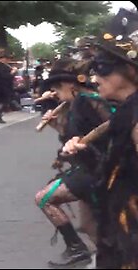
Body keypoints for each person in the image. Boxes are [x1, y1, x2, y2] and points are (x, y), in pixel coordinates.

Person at [61, 8, 138, 268]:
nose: (95, 77)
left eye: (103, 68)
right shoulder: (126, 113)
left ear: (131, 71)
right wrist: (80, 145)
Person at [34, 58, 114, 268]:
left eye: (57, 88)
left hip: (98, 168)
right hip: (85, 165)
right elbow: (71, 137)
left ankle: (78, 249)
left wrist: (83, 143)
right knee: (88, 225)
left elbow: (111, 129)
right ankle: (107, 258)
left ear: (71, 85)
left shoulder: (90, 100)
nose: (56, 94)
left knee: (44, 198)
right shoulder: (75, 104)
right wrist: (55, 125)